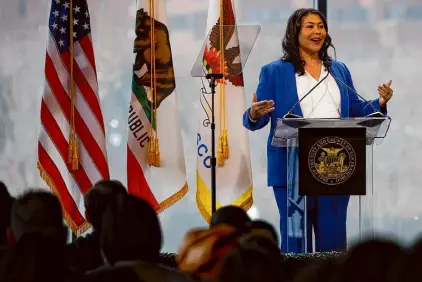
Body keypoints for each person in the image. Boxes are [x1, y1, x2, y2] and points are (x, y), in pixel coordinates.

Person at [243, 8, 394, 253]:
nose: (317, 31)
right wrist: (253, 114)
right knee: (296, 242)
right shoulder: (274, 71)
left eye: (321, 26)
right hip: (291, 167)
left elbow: (355, 108)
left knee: (333, 243)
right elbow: (257, 118)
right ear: (295, 32)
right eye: (310, 26)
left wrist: (380, 103)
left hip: (335, 167)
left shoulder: (339, 70)